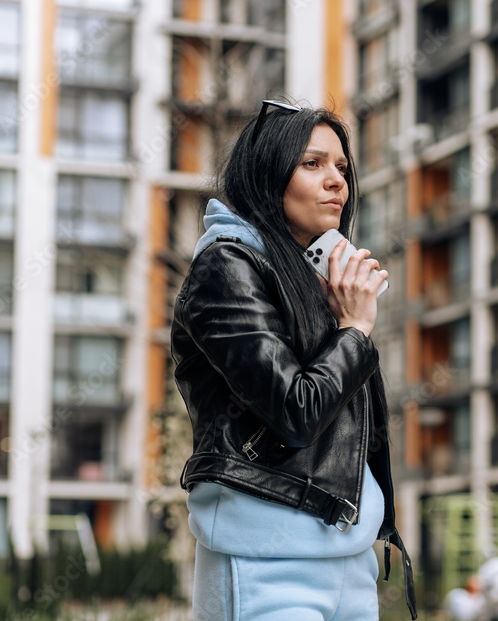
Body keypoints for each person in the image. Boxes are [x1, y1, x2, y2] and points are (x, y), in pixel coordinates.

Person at [171, 100, 417, 620]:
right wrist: (353, 331)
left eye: (342, 168)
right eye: (312, 164)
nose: (337, 182)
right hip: (266, 558)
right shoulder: (226, 268)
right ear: (267, 175)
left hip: (348, 559)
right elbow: (296, 409)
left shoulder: (316, 285)